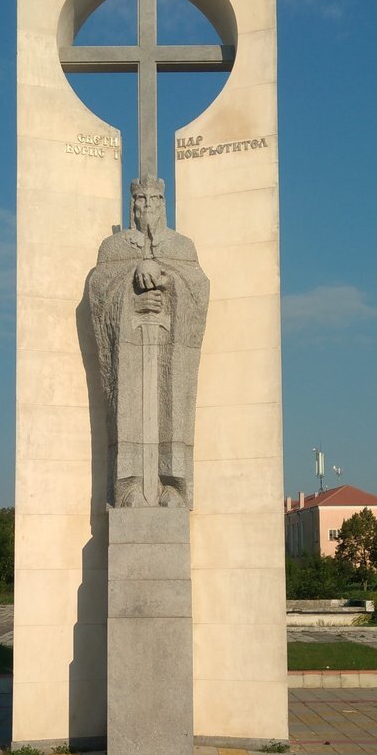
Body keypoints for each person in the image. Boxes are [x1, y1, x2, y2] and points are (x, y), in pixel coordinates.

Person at [88, 177, 209, 508]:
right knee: (126, 402)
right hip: (129, 345)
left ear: (163, 204)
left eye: (153, 199)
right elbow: (98, 291)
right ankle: (127, 488)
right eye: (140, 200)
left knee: (174, 405)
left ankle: (173, 486)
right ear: (131, 205)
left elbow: (199, 288)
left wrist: (166, 279)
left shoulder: (181, 246)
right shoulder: (113, 248)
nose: (146, 206)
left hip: (170, 344)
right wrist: (131, 286)